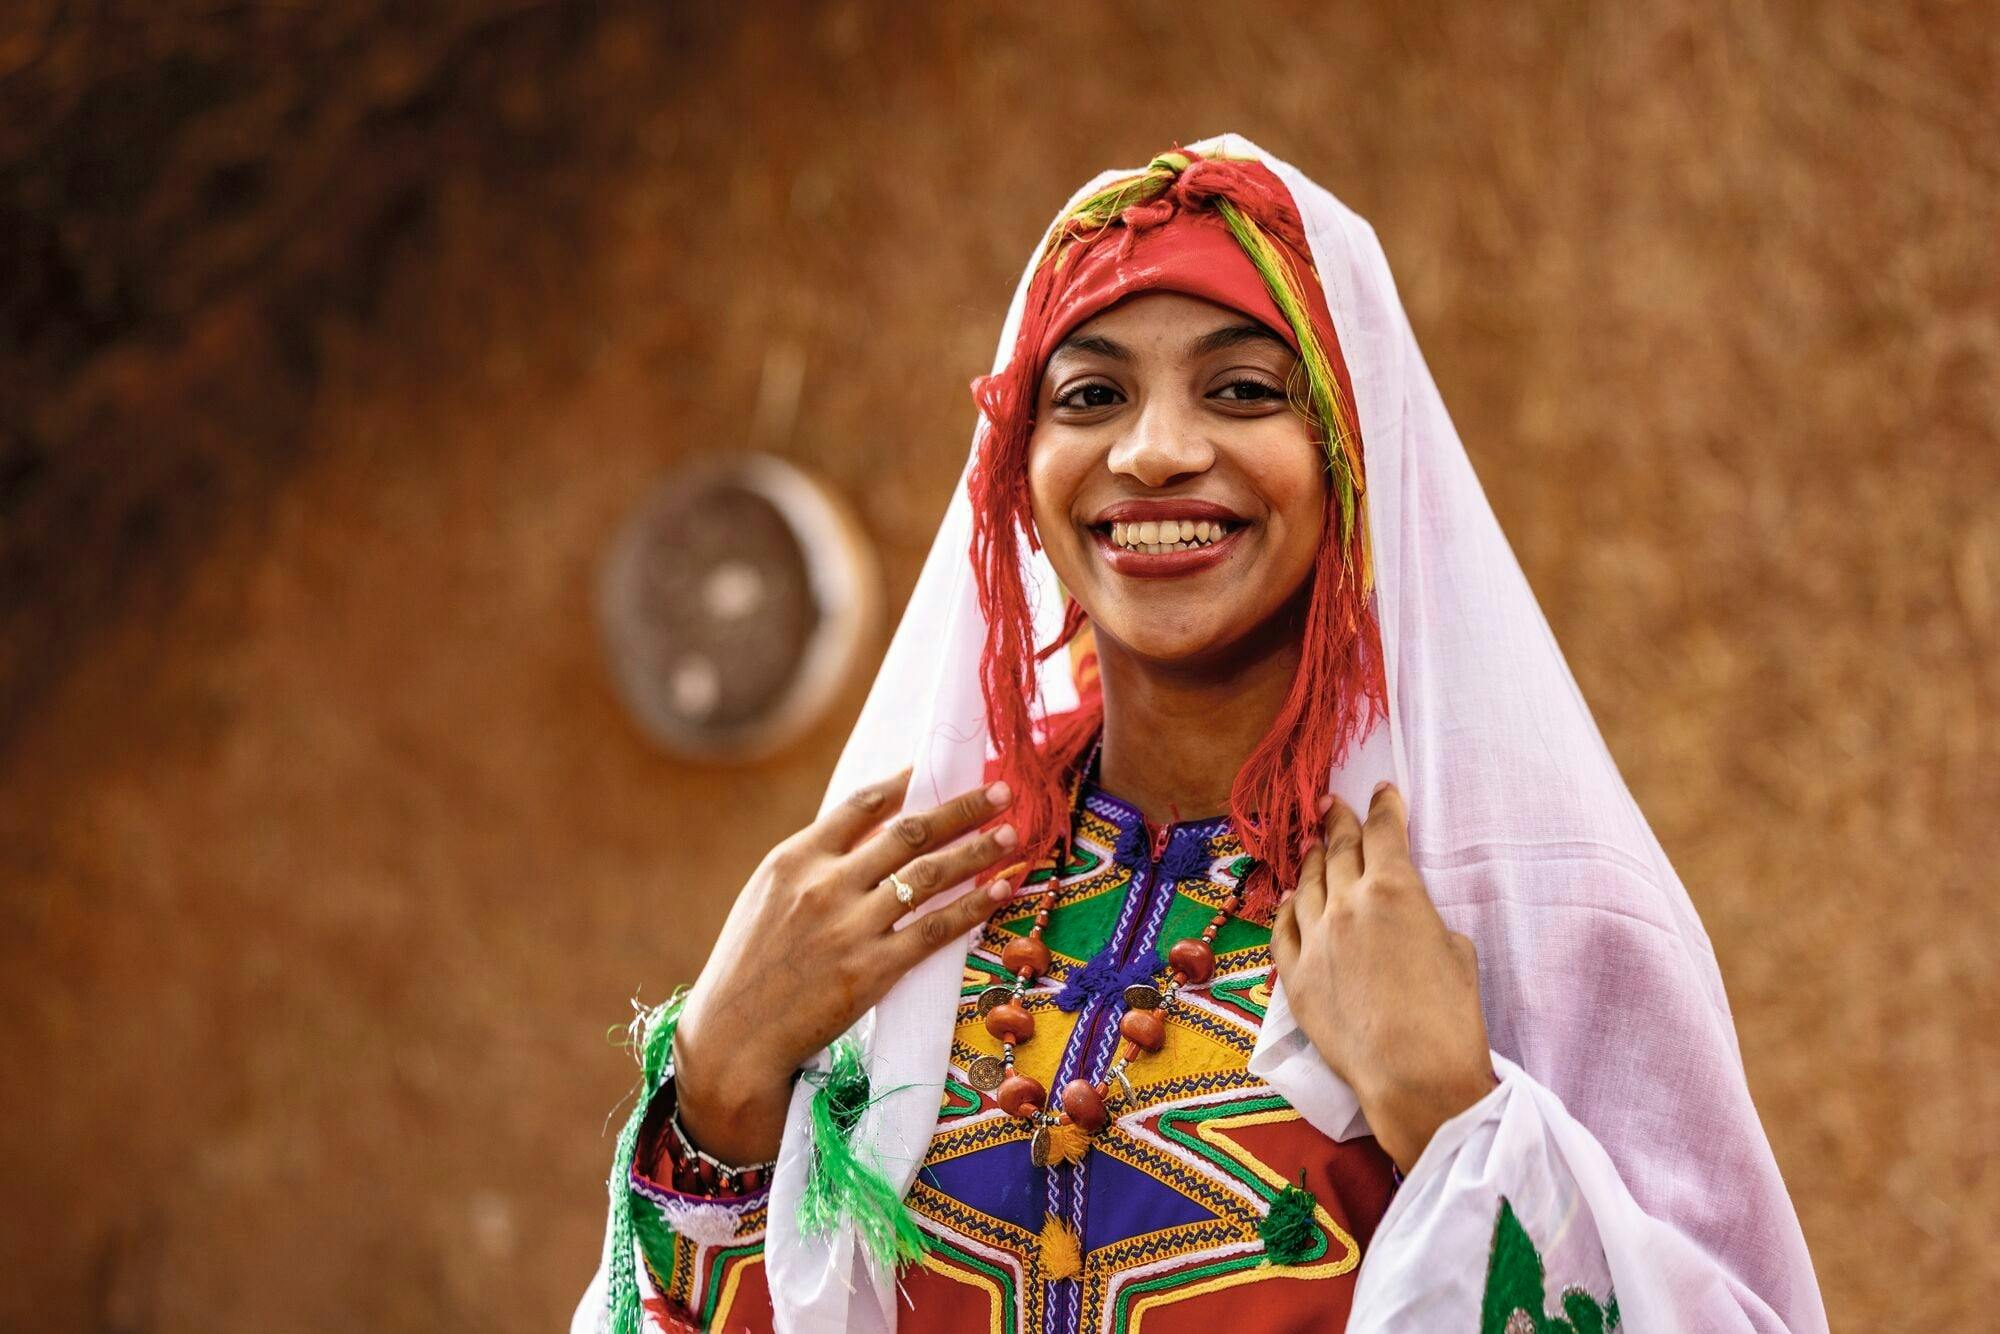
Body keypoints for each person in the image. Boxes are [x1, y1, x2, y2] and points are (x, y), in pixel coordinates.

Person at [572, 135, 1827, 1334]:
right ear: (1017, 464)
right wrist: (720, 1087)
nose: (1155, 449)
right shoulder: (911, 909)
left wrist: (1454, 1115)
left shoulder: (1520, 912)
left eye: (1239, 389)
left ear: (1350, 454)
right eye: (1089, 394)